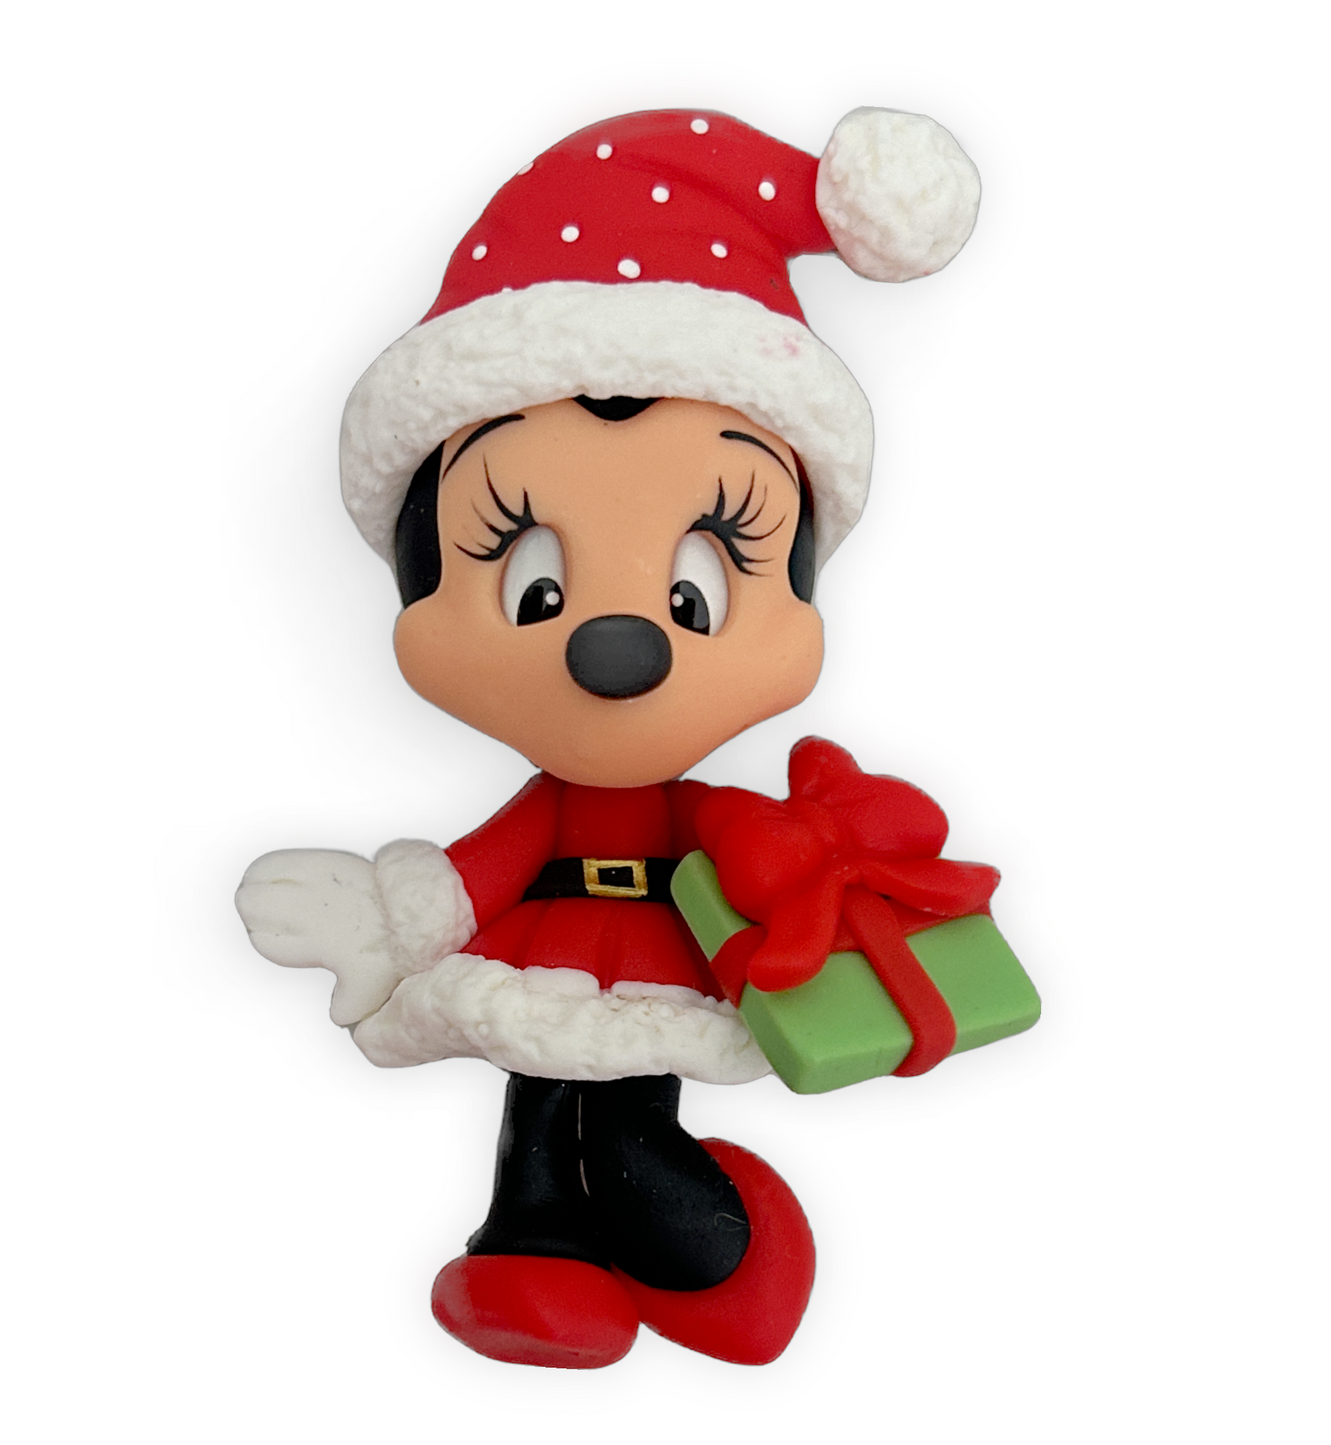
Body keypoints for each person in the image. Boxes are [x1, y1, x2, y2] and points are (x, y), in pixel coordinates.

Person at [236, 106, 980, 1368]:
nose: (614, 645)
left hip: (657, 946)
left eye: (697, 589)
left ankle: (699, 1239)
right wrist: (389, 912)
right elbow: (481, 864)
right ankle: (527, 1248)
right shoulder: (553, 804)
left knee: (626, 1113)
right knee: (535, 1110)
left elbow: (752, 855)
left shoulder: (699, 812)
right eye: (531, 584)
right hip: (546, 936)